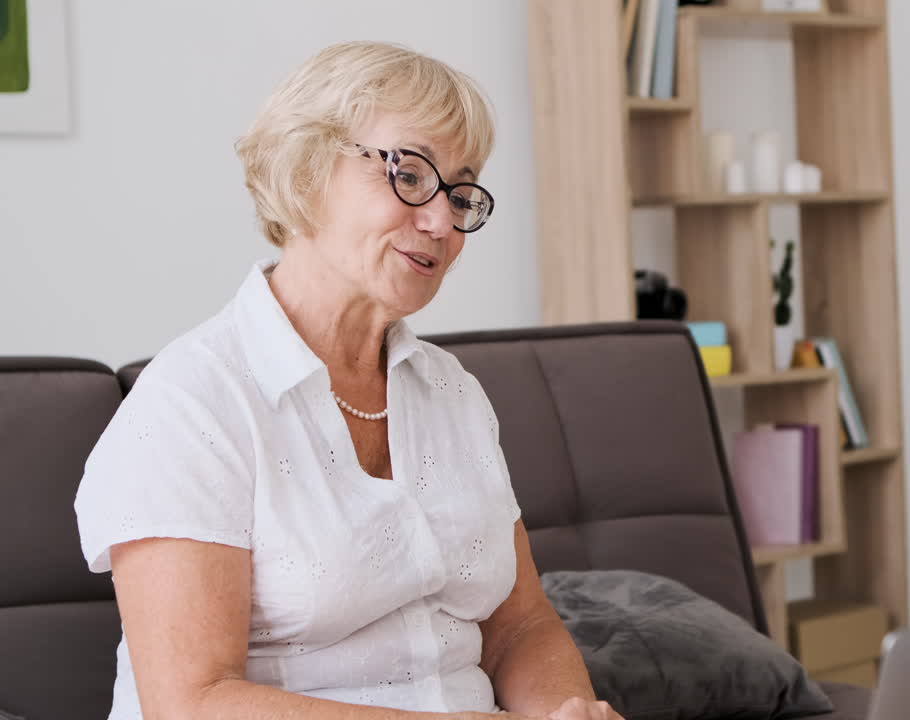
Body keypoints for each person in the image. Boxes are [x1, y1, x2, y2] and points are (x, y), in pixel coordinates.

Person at [74, 41, 621, 720]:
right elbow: (192, 702)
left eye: (460, 191)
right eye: (412, 174)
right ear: (307, 167)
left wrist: (566, 713)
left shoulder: (453, 395)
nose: (443, 220)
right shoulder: (190, 406)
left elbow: (519, 627)